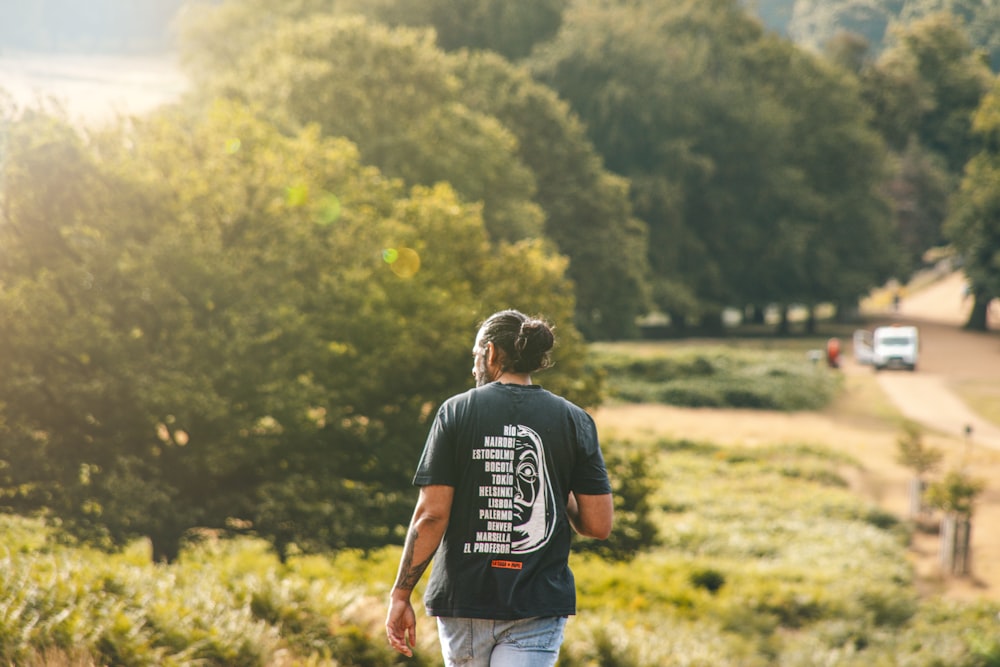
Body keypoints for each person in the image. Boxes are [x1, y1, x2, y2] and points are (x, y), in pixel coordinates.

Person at [385, 309, 614, 666]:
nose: (473, 366)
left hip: (466, 601)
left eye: (475, 356)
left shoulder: (456, 412)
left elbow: (431, 515)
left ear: (490, 353)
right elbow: (598, 525)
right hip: (537, 603)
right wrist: (552, 484)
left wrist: (401, 595)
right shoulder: (575, 419)